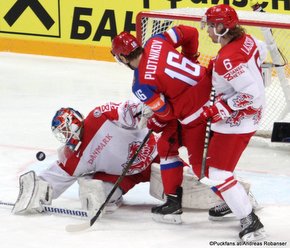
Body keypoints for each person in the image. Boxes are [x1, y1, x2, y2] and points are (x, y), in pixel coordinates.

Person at [111, 25, 215, 222]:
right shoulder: (156, 41)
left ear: (123, 58)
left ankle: (237, 199)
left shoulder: (140, 84)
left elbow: (166, 113)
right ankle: (173, 202)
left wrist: (155, 122)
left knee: (201, 165)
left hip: (197, 113)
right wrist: (190, 58)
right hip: (213, 87)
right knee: (166, 145)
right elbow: (191, 33)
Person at [12, 100, 158, 215]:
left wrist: (140, 109)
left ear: (73, 123)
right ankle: (114, 198)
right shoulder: (75, 157)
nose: (65, 136)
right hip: (122, 175)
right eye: (62, 134)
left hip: (154, 155)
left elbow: (124, 109)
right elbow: (58, 174)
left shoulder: (99, 116)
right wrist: (37, 190)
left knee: (179, 192)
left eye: (65, 131)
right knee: (97, 194)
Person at [199, 4, 267, 241]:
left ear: (220, 27)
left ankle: (250, 220)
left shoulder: (227, 58)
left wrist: (222, 107)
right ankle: (232, 201)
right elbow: (263, 53)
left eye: (209, 26)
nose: (207, 30)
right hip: (248, 117)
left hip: (238, 122)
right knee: (214, 167)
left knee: (218, 172)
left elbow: (251, 94)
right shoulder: (246, 40)